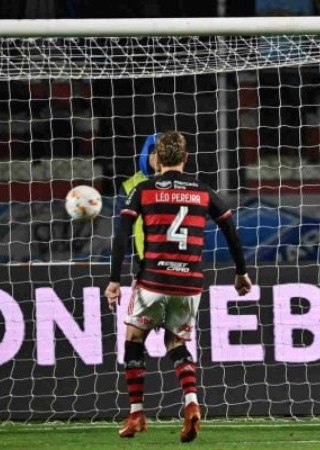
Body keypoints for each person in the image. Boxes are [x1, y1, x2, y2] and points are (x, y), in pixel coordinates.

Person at [104, 131, 252, 442]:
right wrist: (241, 273)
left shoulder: (143, 190)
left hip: (153, 279)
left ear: (156, 159)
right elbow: (230, 229)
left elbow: (121, 236)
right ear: (185, 159)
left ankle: (136, 414)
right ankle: (191, 404)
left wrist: (114, 280)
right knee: (175, 344)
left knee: (134, 340)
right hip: (189, 283)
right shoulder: (203, 191)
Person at [114, 133, 161, 262]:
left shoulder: (182, 183)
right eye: (154, 152)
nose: (159, 157)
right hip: (141, 259)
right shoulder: (129, 186)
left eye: (164, 153)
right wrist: (126, 261)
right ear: (146, 154)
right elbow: (120, 229)